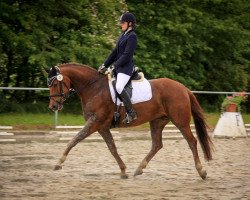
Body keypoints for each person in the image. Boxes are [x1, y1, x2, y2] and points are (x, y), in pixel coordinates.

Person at [98, 12, 137, 124]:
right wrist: (104, 65)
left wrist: (113, 66)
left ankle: (131, 112)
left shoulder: (132, 36)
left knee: (119, 87)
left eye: (123, 22)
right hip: (118, 68)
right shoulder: (123, 35)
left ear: (130, 23)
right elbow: (114, 52)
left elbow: (127, 55)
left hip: (126, 69)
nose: (121, 24)